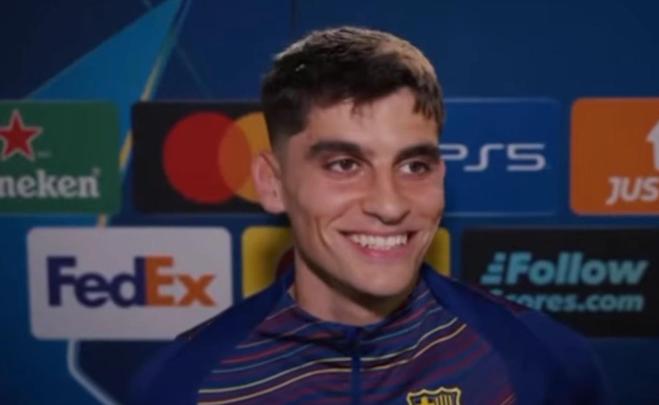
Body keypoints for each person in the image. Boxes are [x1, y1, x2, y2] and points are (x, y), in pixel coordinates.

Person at [132, 26, 610, 404]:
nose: (390, 204)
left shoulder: (542, 360)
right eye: (344, 164)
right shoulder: (184, 384)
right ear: (273, 183)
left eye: (414, 165)